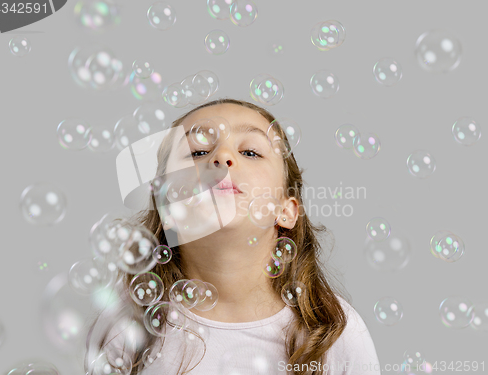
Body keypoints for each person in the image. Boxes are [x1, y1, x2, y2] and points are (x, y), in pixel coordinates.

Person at [85, 98, 381, 375]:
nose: (222, 156)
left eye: (250, 152)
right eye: (198, 152)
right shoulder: (128, 325)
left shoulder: (333, 332)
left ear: (286, 210)